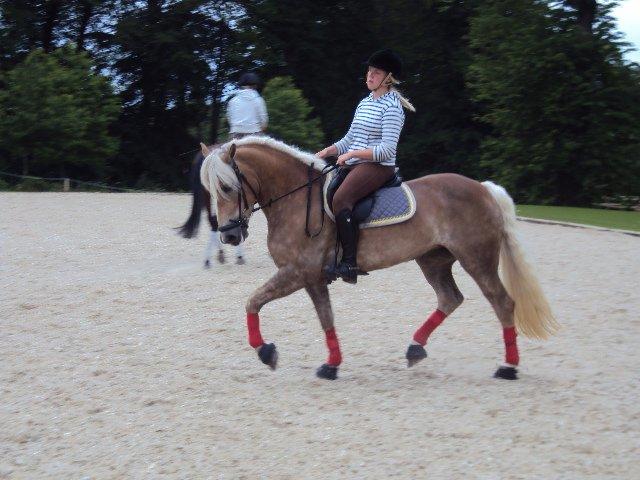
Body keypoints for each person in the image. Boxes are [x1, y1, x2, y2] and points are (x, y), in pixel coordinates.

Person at [316, 49, 415, 283]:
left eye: (376, 72)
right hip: (355, 162)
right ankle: (333, 252)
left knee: (341, 200)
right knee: (326, 194)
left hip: (378, 166)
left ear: (388, 78)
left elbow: (388, 150)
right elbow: (350, 138)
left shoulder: (392, 107)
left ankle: (350, 263)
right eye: (369, 71)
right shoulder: (365, 103)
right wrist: (328, 151)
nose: (369, 76)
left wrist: (353, 154)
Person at [226, 72, 269, 140]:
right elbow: (264, 122)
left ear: (241, 85)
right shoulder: (259, 100)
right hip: (255, 134)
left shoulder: (232, 101)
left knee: (228, 150)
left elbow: (230, 120)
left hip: (235, 135)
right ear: (255, 85)